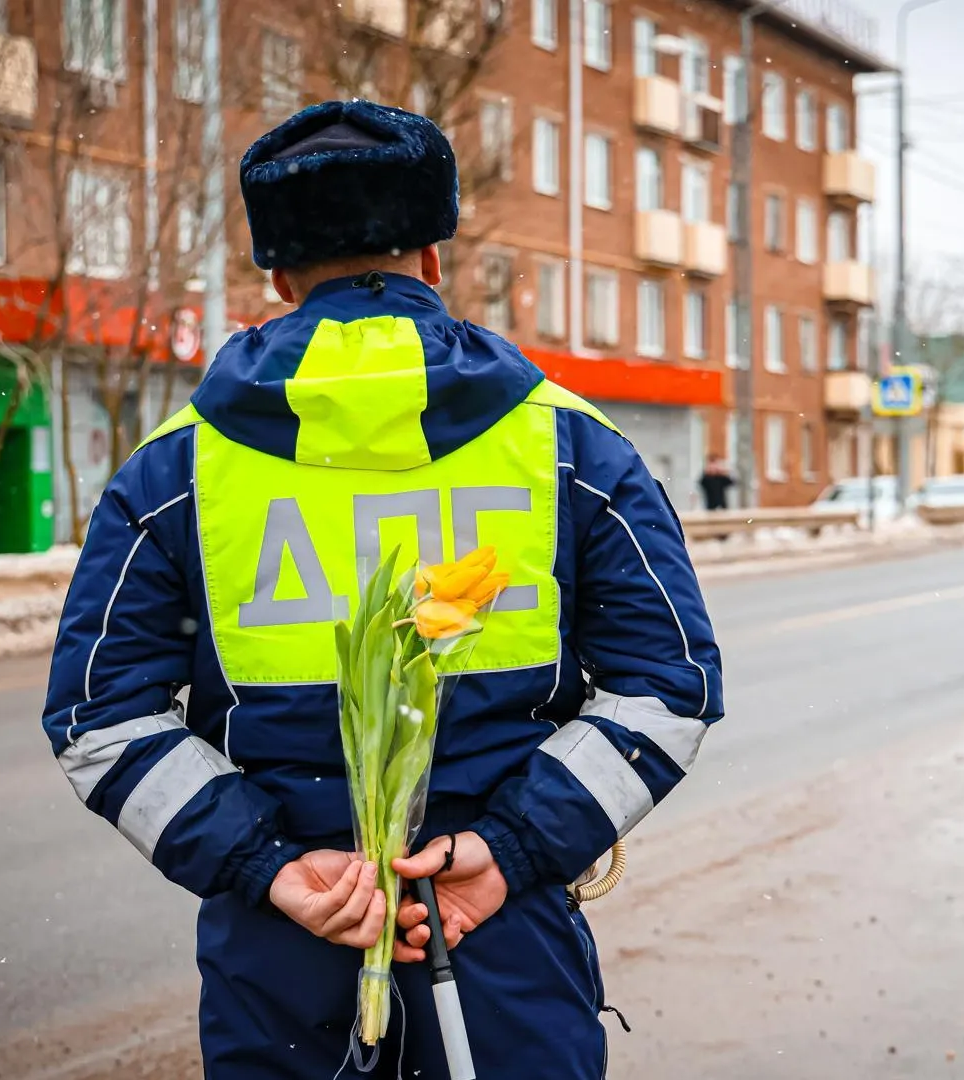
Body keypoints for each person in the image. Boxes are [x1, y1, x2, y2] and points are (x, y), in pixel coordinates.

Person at [41, 100, 723, 1079]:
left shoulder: (174, 472)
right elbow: (671, 687)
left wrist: (270, 867)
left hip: (285, 963)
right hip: (497, 949)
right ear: (434, 260)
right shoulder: (572, 448)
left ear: (277, 277)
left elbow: (98, 717)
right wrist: (511, 847)